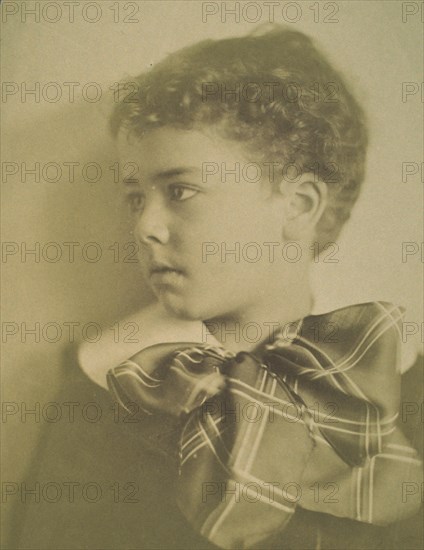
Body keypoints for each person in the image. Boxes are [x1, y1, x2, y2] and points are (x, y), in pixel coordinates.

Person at [13, 25, 423, 550]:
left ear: (298, 207)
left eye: (180, 191)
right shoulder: (107, 395)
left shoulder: (397, 392)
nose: (145, 227)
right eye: (135, 198)